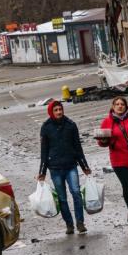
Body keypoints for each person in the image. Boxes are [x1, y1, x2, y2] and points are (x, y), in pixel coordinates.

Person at [38, 100, 91, 235]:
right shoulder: (46, 127)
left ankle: (80, 222)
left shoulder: (71, 125)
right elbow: (44, 151)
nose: (59, 112)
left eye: (60, 109)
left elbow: (78, 147)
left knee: (76, 193)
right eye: (56, 110)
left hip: (70, 166)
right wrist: (42, 172)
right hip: (55, 168)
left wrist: (84, 166)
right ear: (51, 112)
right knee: (62, 198)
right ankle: (69, 224)